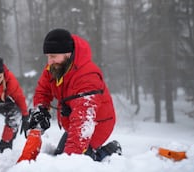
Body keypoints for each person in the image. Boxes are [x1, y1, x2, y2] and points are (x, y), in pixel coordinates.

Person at [25, 28, 122, 161]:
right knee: (60, 154)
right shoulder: (55, 67)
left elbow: (82, 124)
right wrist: (40, 110)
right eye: (48, 56)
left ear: (68, 54)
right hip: (73, 120)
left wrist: (70, 161)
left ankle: (110, 151)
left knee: (78, 159)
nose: (49, 61)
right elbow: (43, 90)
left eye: (53, 56)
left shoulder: (88, 76)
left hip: (97, 123)